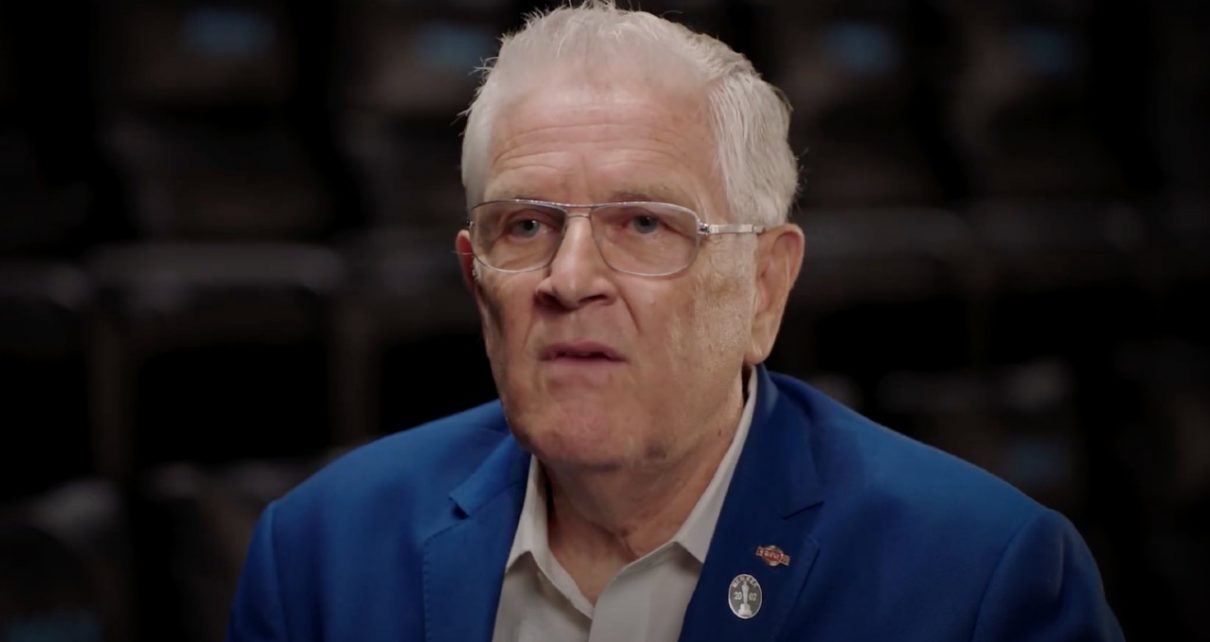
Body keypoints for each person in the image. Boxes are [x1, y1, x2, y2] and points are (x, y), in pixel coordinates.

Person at [226, 2, 1125, 641]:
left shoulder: (981, 579)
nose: (570, 279)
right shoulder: (318, 555)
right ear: (476, 278)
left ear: (765, 287)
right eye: (527, 226)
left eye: (645, 225)